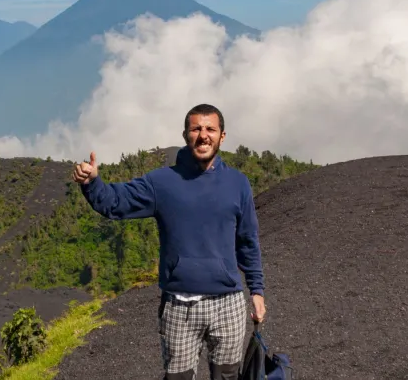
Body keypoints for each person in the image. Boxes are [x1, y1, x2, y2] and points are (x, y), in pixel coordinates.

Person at [72, 103, 266, 380]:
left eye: (210, 129)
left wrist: (256, 290)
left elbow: (247, 241)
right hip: (179, 306)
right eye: (196, 128)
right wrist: (92, 183)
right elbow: (116, 203)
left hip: (228, 304)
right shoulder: (162, 182)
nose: (203, 135)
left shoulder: (238, 184)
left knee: (228, 376)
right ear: (186, 135)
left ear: (222, 136)